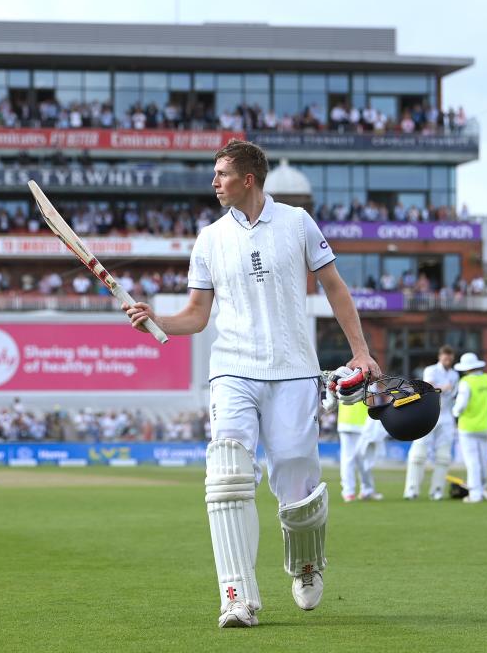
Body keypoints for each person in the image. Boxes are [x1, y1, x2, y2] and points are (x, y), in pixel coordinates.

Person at [123, 139, 381, 628]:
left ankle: (306, 565)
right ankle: (237, 597)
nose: (214, 182)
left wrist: (361, 351)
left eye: (221, 174)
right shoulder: (209, 238)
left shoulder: (298, 223)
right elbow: (197, 316)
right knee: (227, 474)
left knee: (295, 475)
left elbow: (334, 287)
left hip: (293, 369)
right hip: (232, 369)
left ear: (248, 179)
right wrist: (156, 319)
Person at [404, 345, 459, 500]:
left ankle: (437, 490)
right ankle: (411, 490)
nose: (447, 359)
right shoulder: (431, 370)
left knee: (444, 456)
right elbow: (427, 388)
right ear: (440, 356)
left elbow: (454, 394)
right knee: (418, 454)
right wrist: (443, 387)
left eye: (450, 357)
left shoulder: (455, 374)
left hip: (447, 416)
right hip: (428, 414)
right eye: (445, 357)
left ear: (452, 358)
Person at [452, 352, 487, 503]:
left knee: (472, 462)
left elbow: (461, 405)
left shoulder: (466, 382)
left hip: (468, 426)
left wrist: (455, 411)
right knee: (483, 460)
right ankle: (483, 488)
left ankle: (475, 494)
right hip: (485, 425)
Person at [323, 391, 382, 501]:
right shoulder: (366, 375)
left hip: (345, 421)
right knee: (364, 459)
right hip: (362, 423)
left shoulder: (341, 375)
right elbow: (370, 400)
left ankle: (348, 492)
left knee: (347, 459)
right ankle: (366, 490)